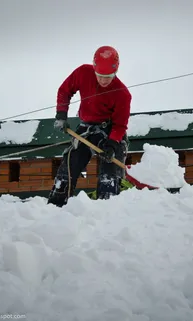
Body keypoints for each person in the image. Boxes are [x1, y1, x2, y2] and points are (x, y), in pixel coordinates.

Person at [47, 45, 132, 207]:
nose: (103, 80)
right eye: (99, 75)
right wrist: (61, 114)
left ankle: (108, 206)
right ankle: (56, 207)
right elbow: (64, 90)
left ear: (116, 71)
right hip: (86, 129)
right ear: (93, 68)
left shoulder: (123, 94)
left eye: (108, 76)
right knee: (70, 165)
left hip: (110, 130)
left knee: (110, 171)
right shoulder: (83, 73)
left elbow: (120, 126)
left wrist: (113, 144)